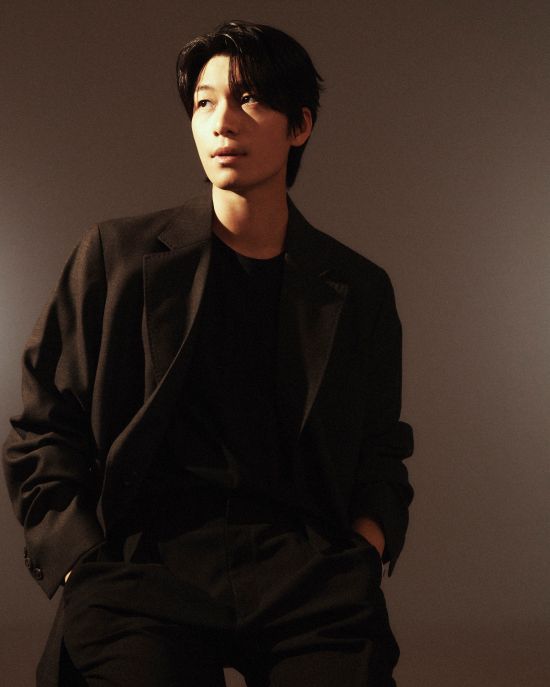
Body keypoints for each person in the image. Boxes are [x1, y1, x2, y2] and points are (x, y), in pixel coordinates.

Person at [3, 20, 414, 687]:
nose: (222, 121)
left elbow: (381, 446)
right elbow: (44, 428)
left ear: (300, 125)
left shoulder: (357, 287)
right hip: (146, 564)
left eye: (249, 98)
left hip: (303, 570)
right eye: (204, 102)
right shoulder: (115, 257)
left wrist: (364, 546)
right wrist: (80, 560)